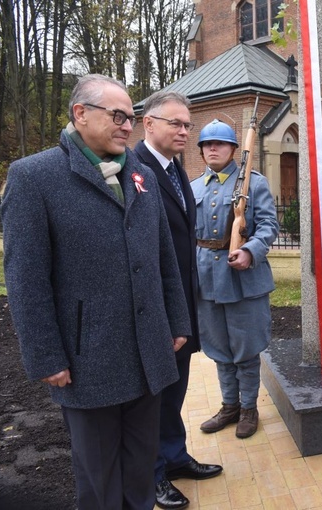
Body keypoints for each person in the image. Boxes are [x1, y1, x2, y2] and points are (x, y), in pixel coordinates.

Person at [1, 74, 191, 510]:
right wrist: (47, 357)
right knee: (100, 478)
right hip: (88, 360)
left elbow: (164, 258)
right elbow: (26, 281)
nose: (127, 125)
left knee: (141, 468)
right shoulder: (34, 177)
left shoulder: (139, 174)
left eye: (131, 116)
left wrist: (177, 321)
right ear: (80, 114)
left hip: (148, 354)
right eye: (117, 115)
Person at [134, 91, 223, 509]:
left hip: (182, 307)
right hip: (155, 311)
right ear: (148, 124)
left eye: (188, 124)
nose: (185, 131)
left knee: (175, 393)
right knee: (152, 399)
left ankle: (174, 457)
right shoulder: (135, 171)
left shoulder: (175, 169)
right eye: (176, 123)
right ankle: (152, 476)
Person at [191, 119, 279, 439]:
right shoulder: (193, 188)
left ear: (232, 149)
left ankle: (248, 408)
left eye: (220, 143)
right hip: (207, 280)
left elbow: (269, 227)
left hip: (244, 280)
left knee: (246, 347)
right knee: (218, 348)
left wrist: (250, 251)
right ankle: (229, 405)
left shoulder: (253, 184)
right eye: (207, 144)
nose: (212, 148)